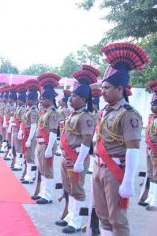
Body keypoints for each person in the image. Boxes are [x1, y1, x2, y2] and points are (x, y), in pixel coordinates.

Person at [93, 42, 149, 236]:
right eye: (102, 87)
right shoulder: (104, 112)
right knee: (103, 216)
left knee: (118, 220)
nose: (102, 91)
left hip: (115, 172)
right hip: (99, 169)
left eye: (106, 87)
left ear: (120, 89)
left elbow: (133, 149)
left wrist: (128, 181)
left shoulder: (128, 114)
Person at [56, 65, 99, 234]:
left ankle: (75, 221)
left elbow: (87, 140)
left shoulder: (86, 117)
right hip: (66, 156)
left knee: (77, 190)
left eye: (74, 96)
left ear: (82, 99)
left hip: (76, 158)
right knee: (68, 187)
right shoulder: (71, 114)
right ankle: (69, 216)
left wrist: (80, 160)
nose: (70, 99)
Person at [32, 73, 61, 204]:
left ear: (49, 99)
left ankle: (48, 195)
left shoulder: (53, 113)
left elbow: (54, 131)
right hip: (40, 144)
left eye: (43, 99)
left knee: (47, 170)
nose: (41, 101)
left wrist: (50, 148)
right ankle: (43, 192)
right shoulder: (45, 112)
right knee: (42, 169)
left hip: (47, 144)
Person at [140, 79, 157, 211]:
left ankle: (156, 200)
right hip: (150, 150)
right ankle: (150, 197)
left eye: (154, 104)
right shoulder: (152, 118)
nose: (151, 106)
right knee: (151, 174)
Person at [18, 80, 40, 184]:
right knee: (26, 155)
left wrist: (30, 139)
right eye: (27, 99)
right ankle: (26, 174)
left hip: (30, 135)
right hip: (25, 134)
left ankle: (31, 176)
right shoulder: (28, 110)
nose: (27, 100)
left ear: (35, 100)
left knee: (30, 156)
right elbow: (24, 123)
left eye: (30, 99)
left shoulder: (34, 111)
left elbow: (33, 126)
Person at [12, 83, 27, 172]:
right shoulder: (19, 108)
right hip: (15, 129)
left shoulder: (23, 109)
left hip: (18, 129)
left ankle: (19, 163)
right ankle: (17, 162)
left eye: (19, 100)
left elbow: (22, 121)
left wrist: (21, 131)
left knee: (19, 148)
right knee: (16, 147)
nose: (17, 101)